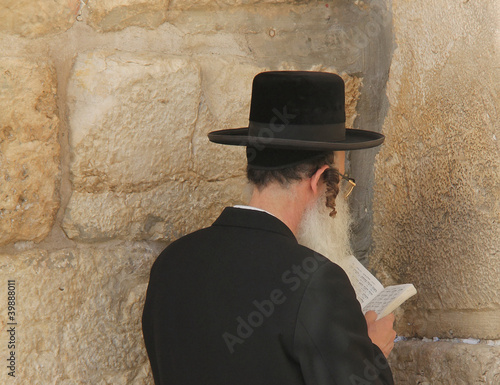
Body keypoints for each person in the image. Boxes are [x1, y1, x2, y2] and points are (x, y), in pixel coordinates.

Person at [142, 71, 396, 384]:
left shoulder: (172, 263)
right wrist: (372, 355)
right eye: (339, 183)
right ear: (319, 180)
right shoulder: (314, 280)